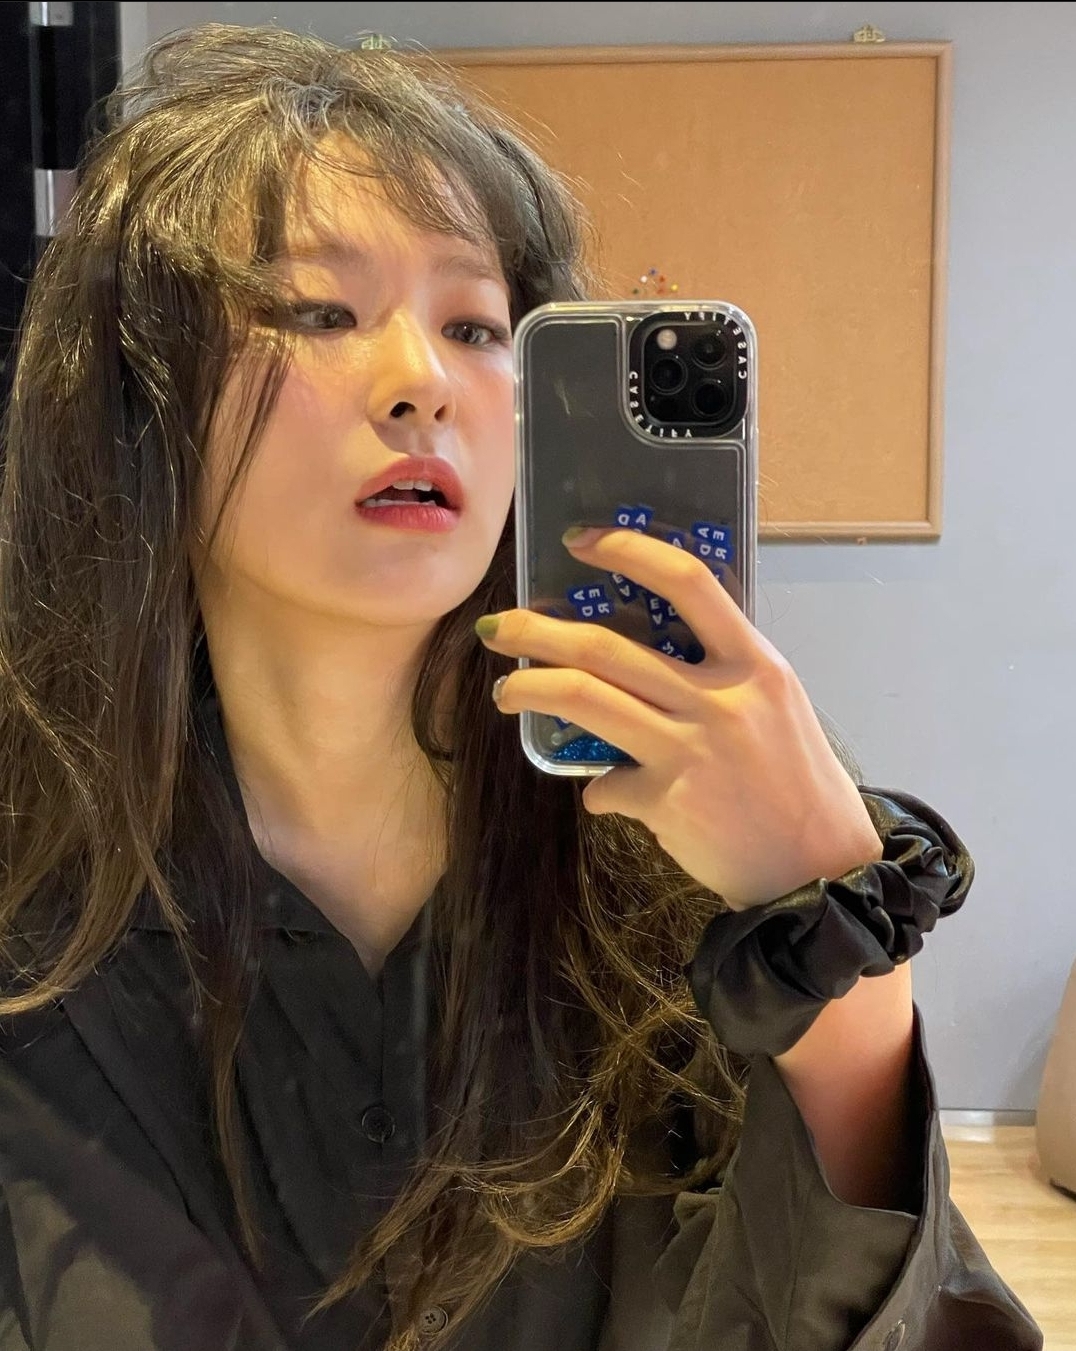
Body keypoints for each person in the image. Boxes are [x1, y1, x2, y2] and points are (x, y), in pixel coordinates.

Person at [0, 22, 1041, 1351]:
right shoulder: (41, 897)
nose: (421, 383)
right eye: (319, 312)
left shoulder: (684, 851)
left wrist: (833, 949)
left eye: (477, 327)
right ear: (138, 397)